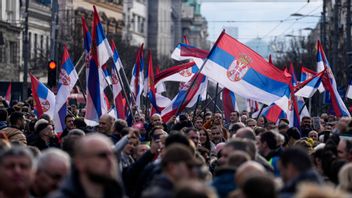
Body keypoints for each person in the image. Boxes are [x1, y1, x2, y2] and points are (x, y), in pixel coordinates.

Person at [51, 133, 124, 197]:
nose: (110, 160)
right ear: (80, 162)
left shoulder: (119, 194)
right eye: (102, 155)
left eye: (113, 155)